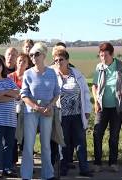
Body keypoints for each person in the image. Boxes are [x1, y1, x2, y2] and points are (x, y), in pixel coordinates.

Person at [20, 42, 60, 180]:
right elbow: (24, 95)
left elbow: (57, 93)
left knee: (46, 145)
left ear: (43, 55)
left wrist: (50, 106)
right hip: (31, 111)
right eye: (31, 55)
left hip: (47, 111)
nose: (33, 57)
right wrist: (36, 107)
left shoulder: (52, 72)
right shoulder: (27, 73)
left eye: (36, 54)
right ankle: (26, 175)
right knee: (29, 145)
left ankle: (48, 175)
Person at [52, 49, 93, 177]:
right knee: (63, 143)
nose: (59, 62)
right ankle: (63, 168)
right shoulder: (53, 75)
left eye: (61, 59)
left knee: (80, 142)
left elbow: (86, 92)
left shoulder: (76, 74)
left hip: (77, 115)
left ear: (67, 61)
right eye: (56, 60)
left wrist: (87, 111)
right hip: (61, 116)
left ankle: (84, 169)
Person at [92, 42, 122, 172]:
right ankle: (97, 163)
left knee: (114, 136)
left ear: (112, 54)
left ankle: (113, 163)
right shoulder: (99, 67)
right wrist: (96, 102)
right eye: (101, 55)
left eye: (105, 55)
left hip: (117, 108)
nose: (103, 58)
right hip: (102, 107)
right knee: (97, 134)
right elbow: (95, 86)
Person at [8, 53, 29, 166]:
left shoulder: (29, 76)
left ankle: (27, 163)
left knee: (26, 138)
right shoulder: (10, 77)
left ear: (27, 64)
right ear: (16, 62)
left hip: (26, 110)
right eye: (20, 60)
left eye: (24, 61)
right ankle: (12, 162)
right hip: (12, 109)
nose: (21, 63)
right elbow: (6, 90)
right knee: (12, 137)